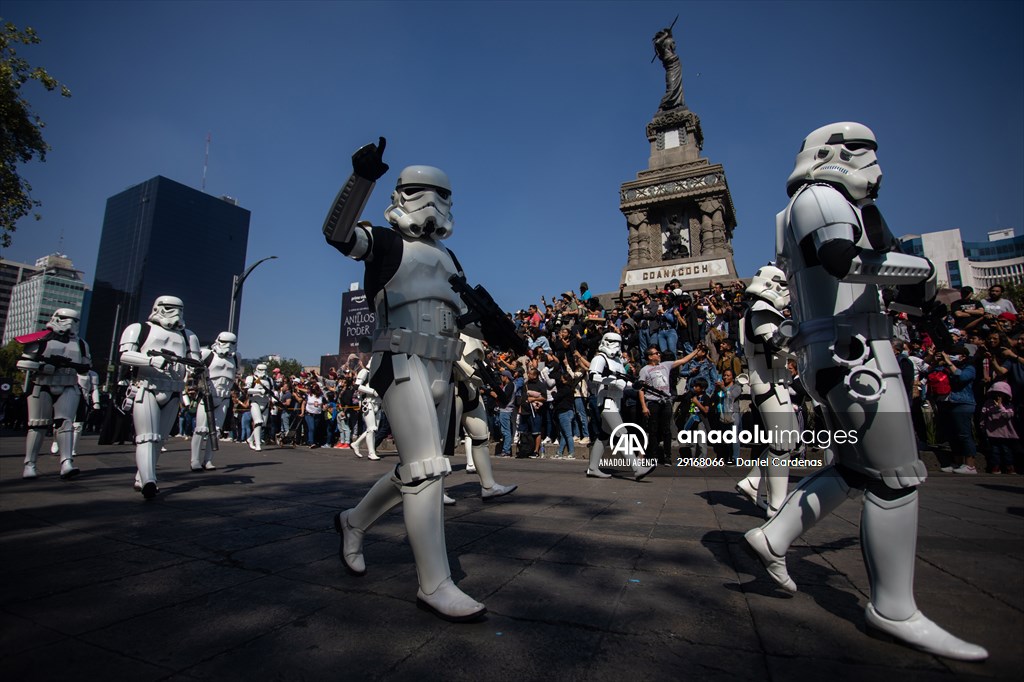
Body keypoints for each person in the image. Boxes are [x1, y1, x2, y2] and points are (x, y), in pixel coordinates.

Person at [748, 122, 986, 660]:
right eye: (862, 153)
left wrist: (917, 292)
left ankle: (774, 535)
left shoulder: (810, 207)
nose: (874, 167)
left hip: (839, 350)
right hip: (852, 354)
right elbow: (844, 260)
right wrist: (922, 270)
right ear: (831, 154)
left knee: (857, 467)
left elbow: (856, 281)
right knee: (897, 476)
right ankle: (893, 608)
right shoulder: (821, 197)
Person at [324, 137, 509, 621]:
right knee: (428, 467)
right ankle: (435, 583)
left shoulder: (451, 259)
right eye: (418, 192)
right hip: (399, 358)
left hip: (443, 367)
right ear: (401, 195)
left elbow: (464, 316)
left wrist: (494, 332)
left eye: (439, 195)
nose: (430, 204)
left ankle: (354, 521)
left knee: (416, 468)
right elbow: (339, 234)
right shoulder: (384, 243)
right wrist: (360, 179)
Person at [119, 296, 201, 499]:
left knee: (159, 439)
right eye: (169, 309)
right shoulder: (139, 329)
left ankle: (143, 475)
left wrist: (193, 367)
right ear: (158, 308)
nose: (175, 314)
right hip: (147, 386)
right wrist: (150, 360)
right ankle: (149, 479)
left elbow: (195, 361)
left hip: (173, 391)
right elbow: (124, 355)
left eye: (179, 310)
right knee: (147, 437)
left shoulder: (188, 336)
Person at [734, 266, 798, 518]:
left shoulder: (763, 311)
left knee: (786, 440)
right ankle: (776, 505)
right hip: (768, 382)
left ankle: (753, 481)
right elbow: (775, 345)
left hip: (776, 382)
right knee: (782, 444)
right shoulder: (761, 311)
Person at [16, 308, 92, 480]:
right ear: (56, 318)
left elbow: (86, 367)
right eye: (65, 318)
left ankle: (66, 462)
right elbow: (23, 362)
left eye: (74, 320)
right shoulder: (41, 339)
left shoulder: (81, 344)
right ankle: (30, 464)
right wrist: (43, 367)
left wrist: (73, 367)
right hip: (41, 384)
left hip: (68, 384)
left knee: (65, 424)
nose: (69, 323)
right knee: (37, 425)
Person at [585, 332, 657, 480]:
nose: (616, 345)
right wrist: (611, 380)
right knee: (621, 433)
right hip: (606, 401)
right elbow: (593, 376)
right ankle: (637, 468)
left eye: (618, 342)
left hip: (616, 401)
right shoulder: (600, 358)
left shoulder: (618, 361)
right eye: (612, 341)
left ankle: (593, 468)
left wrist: (635, 385)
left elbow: (624, 382)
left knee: (604, 435)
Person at [452, 334, 517, 498]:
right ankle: (433, 490)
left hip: (471, 388)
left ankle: (488, 485)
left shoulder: (471, 333)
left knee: (481, 437)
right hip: (454, 386)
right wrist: (473, 374)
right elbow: (451, 355)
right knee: (445, 443)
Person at [639, 345, 699, 465]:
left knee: (666, 430)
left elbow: (683, 360)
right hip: (653, 402)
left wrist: (696, 351)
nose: (659, 355)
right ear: (650, 357)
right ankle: (653, 456)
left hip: (665, 401)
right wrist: (644, 406)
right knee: (653, 430)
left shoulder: (665, 365)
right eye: (656, 353)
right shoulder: (644, 370)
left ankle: (667, 456)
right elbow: (641, 389)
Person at [190, 332, 238, 469]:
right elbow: (192, 368)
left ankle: (208, 459)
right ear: (217, 341)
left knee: (216, 431)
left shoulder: (235, 358)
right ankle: (195, 460)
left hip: (224, 397)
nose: (228, 346)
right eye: (224, 342)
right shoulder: (207, 354)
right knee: (200, 429)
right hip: (207, 395)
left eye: (232, 343)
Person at [350, 364, 381, 460]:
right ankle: (371, 453)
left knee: (373, 429)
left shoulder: (380, 373)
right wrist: (372, 391)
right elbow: (357, 386)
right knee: (371, 429)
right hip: (368, 403)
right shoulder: (365, 372)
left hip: (378, 404)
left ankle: (356, 443)